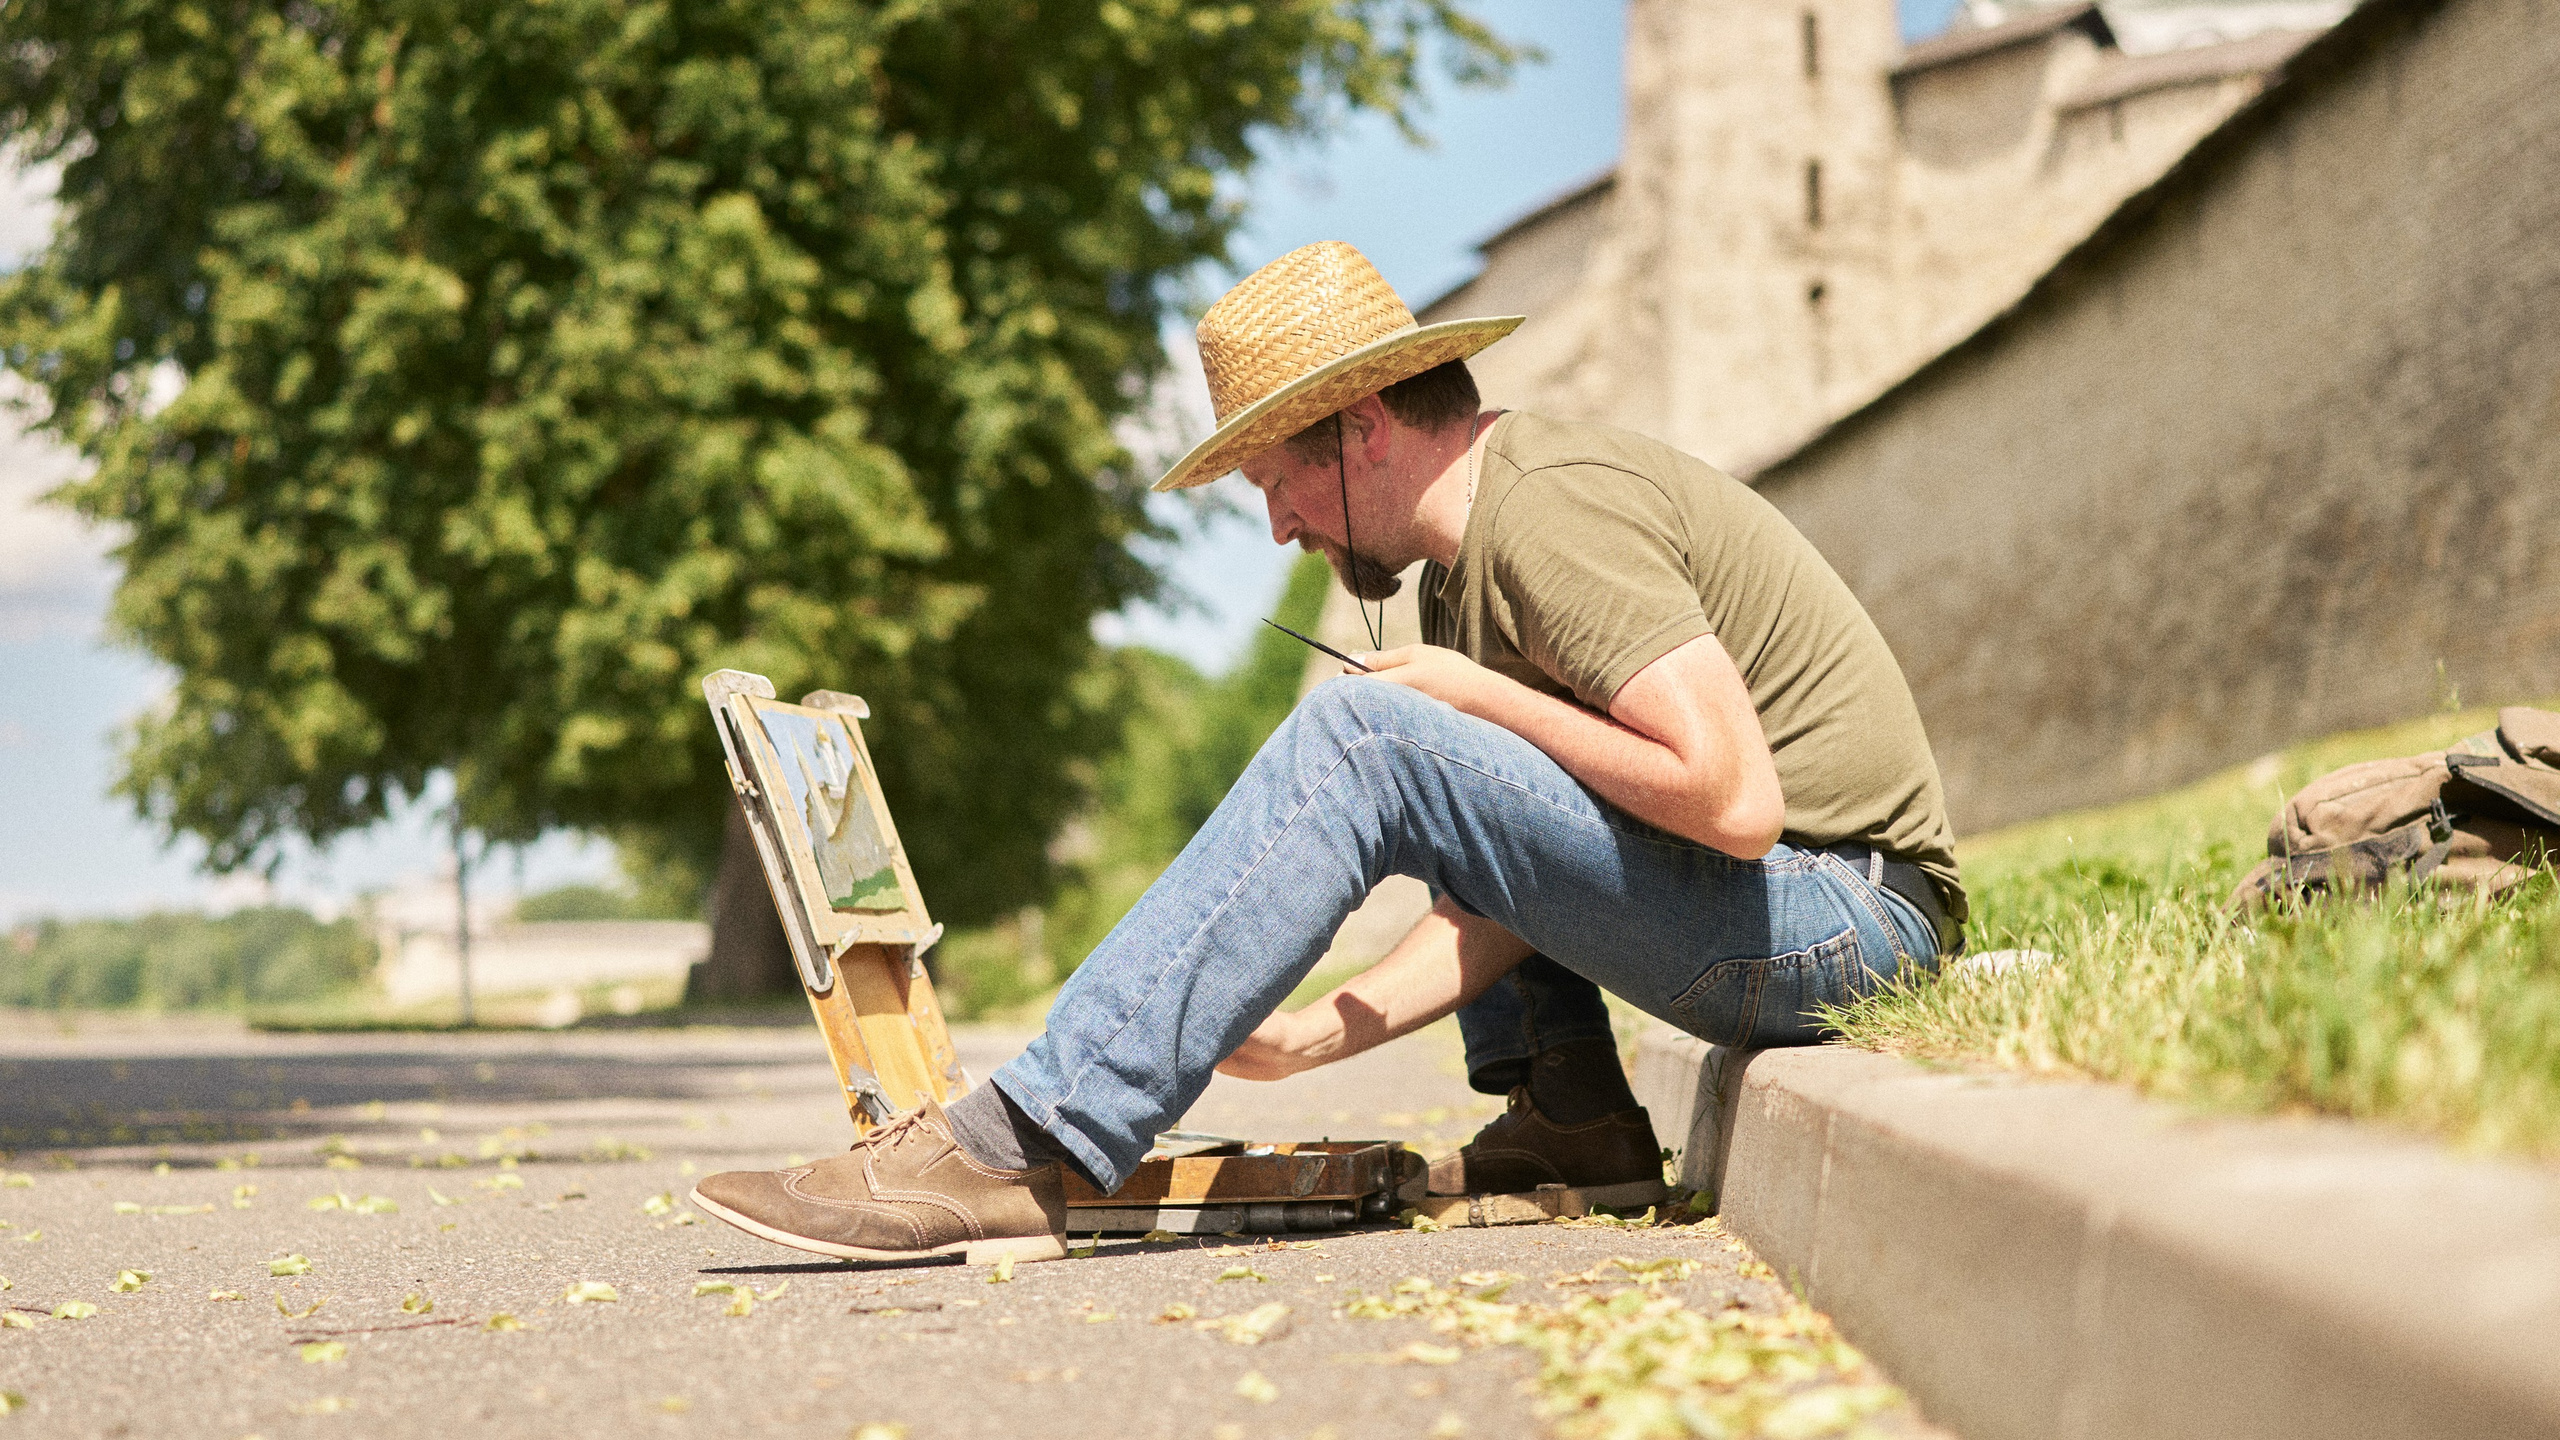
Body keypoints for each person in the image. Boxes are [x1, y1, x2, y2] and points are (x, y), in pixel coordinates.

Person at [688, 241, 1964, 1265]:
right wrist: (1312, 1038)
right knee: (1424, 735)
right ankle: (1575, 1118)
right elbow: (1520, 885)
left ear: (1361, 428)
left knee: (1372, 729)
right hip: (1784, 916)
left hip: (1849, 922)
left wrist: (1475, 699)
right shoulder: (1460, 574)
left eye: (1272, 484)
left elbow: (1733, 803)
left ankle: (1024, 1141)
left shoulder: (1549, 510)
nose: (1279, 527)